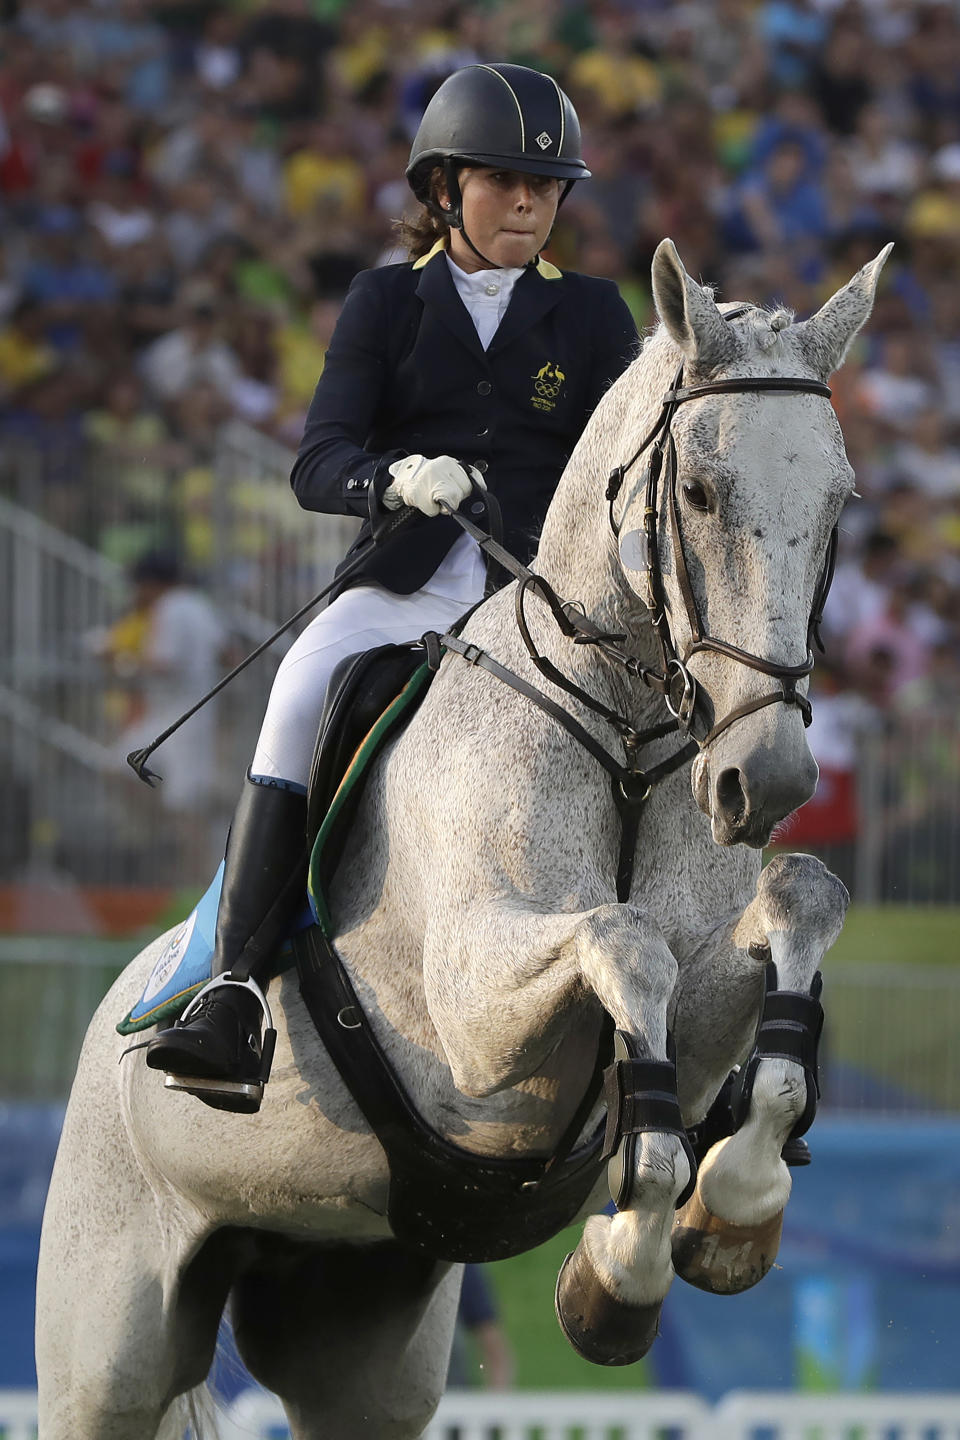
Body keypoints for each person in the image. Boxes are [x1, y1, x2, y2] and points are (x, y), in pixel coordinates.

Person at [145, 62, 639, 1113]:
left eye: (546, 187)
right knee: (301, 684)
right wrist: (392, 479)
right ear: (444, 188)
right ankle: (233, 987)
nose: (528, 203)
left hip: (543, 602)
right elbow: (316, 460)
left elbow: (626, 467)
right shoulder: (386, 300)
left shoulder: (596, 316)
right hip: (408, 584)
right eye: (505, 181)